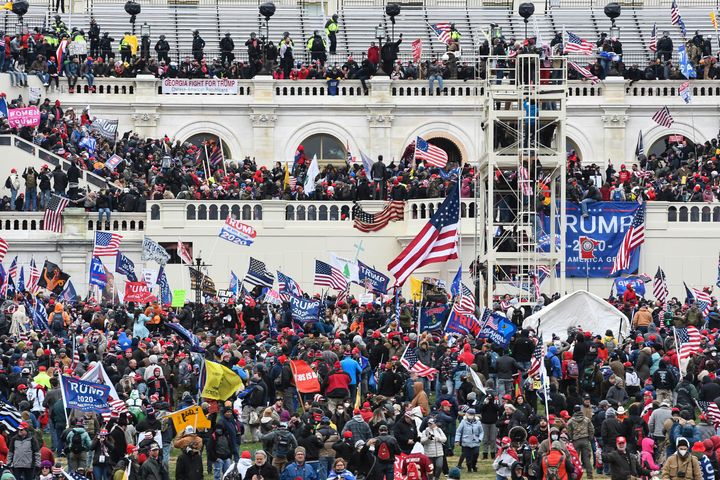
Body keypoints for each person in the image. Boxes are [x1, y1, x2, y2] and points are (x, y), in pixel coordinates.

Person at [455, 408, 483, 473]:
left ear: (474, 415)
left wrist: (480, 439)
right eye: (469, 414)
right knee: (468, 457)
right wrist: (457, 440)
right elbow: (458, 432)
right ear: (467, 414)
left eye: (472, 414)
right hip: (466, 442)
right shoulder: (463, 422)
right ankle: (469, 468)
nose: (471, 416)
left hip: (476, 442)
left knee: (476, 454)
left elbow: (481, 432)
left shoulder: (478, 422)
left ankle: (474, 465)